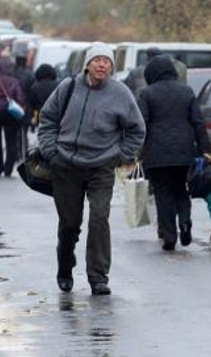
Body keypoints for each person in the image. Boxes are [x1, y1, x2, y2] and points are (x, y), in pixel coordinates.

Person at [38, 43, 146, 295]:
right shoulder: (68, 87)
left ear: (111, 66)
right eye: (97, 60)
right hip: (66, 165)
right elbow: (47, 120)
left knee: (99, 219)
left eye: (106, 61)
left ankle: (98, 276)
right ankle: (65, 267)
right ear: (87, 64)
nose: (102, 65)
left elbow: (137, 129)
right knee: (70, 223)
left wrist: (121, 156)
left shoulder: (121, 93)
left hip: (101, 167)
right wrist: (51, 151)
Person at [138, 55, 211, 251]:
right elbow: (198, 122)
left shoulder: (147, 94)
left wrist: (136, 150)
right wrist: (207, 149)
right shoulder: (186, 91)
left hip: (156, 153)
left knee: (163, 194)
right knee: (181, 190)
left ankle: (170, 235)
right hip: (184, 151)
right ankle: (185, 221)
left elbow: (142, 124)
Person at [13, 52, 36, 160]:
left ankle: (16, 153)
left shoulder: (11, 74)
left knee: (14, 131)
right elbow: (32, 93)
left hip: (13, 107)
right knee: (24, 132)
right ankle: (24, 153)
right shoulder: (30, 75)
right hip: (26, 106)